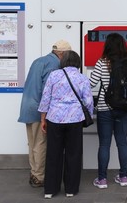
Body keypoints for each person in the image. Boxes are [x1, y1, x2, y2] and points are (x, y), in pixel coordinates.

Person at [38, 50, 94, 199]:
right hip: (75, 119)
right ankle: (71, 189)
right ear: (77, 62)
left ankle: (50, 190)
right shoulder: (82, 78)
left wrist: (43, 118)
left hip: (54, 118)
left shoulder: (54, 76)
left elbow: (45, 99)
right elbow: (88, 101)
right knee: (73, 154)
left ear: (63, 62)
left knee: (53, 154)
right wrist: (87, 114)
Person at [17, 40, 71, 188]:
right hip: (39, 109)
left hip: (28, 107)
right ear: (62, 54)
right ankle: (40, 177)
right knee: (41, 143)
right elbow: (48, 92)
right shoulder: (54, 66)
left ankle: (35, 173)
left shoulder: (39, 61)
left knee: (33, 143)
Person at [90, 33, 127, 189]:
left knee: (104, 144)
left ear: (107, 46)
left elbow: (91, 83)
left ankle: (102, 180)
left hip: (105, 108)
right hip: (123, 109)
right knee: (122, 143)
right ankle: (123, 177)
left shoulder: (102, 63)